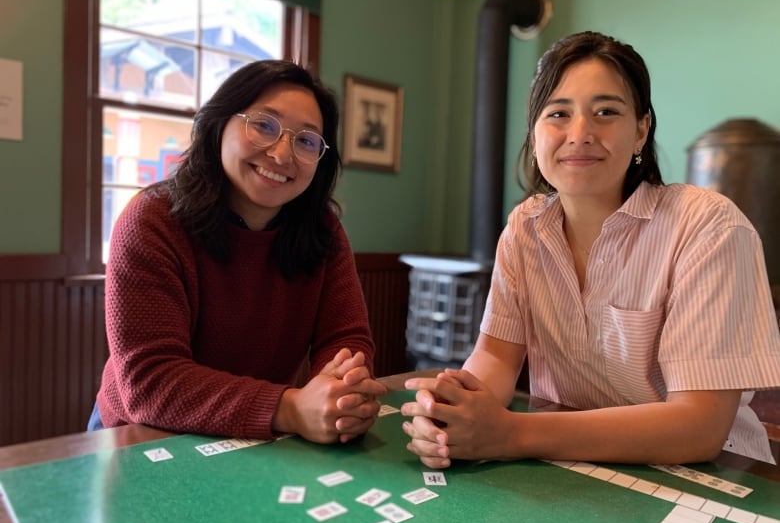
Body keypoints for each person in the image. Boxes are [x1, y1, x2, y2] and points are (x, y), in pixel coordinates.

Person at [401, 31, 780, 469]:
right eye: (558, 113)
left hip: (700, 475)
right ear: (535, 133)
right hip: (567, 463)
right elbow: (494, 358)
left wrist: (509, 433)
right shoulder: (525, 228)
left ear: (641, 130)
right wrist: (454, 414)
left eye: (606, 112)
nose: (579, 133)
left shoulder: (707, 227)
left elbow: (699, 427)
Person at [88, 60, 386, 444]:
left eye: (306, 141)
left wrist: (342, 391)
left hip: (256, 435)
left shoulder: (323, 230)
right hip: (141, 436)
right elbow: (150, 382)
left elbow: (346, 339)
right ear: (219, 124)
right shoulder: (150, 220)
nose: (282, 154)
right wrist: (292, 408)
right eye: (264, 125)